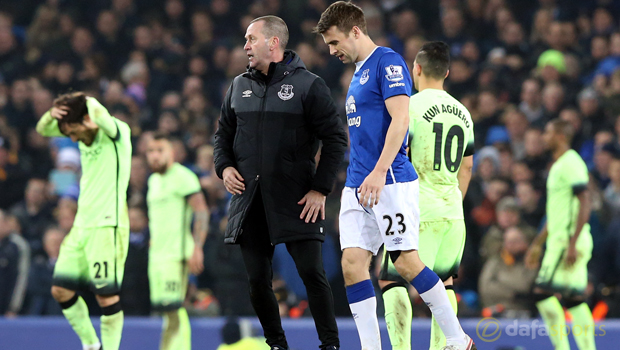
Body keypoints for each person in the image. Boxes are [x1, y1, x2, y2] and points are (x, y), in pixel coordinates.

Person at [314, 4, 474, 350]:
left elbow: (401, 120)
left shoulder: (388, 63)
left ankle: (458, 339)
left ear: (355, 31)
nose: (331, 50)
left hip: (389, 181)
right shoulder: (358, 72)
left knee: (405, 262)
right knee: (353, 264)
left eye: (334, 41)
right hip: (359, 184)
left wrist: (380, 170)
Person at [213, 15, 347, 350]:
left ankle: (330, 344)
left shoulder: (308, 85)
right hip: (250, 198)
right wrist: (224, 167)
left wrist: (320, 189)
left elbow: (335, 140)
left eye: (251, 39)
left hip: (297, 198)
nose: (245, 46)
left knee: (312, 276)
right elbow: (222, 136)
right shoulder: (238, 86)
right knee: (258, 281)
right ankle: (277, 344)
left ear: (273, 43)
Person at [375, 41, 475, 350]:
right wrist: (455, 200)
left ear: (415, 69)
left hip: (420, 208)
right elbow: (467, 167)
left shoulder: (410, 108)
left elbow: (398, 156)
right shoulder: (463, 112)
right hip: (453, 211)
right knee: (444, 284)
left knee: (391, 279)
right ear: (446, 72)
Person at [36, 92, 131, 350]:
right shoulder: (81, 135)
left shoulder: (116, 132)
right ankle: (91, 345)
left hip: (107, 225)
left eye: (74, 131)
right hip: (82, 225)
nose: (73, 138)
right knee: (60, 290)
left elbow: (99, 114)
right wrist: (53, 112)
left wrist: (84, 99)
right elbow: (42, 128)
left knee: (106, 296)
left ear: (88, 119)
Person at [525, 119, 597, 350]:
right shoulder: (559, 165)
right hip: (561, 239)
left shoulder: (571, 163)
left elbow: (586, 201)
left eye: (547, 132)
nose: (543, 137)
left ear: (561, 136)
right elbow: (555, 212)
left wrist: (573, 242)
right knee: (573, 300)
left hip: (567, 242)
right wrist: (538, 243)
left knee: (541, 294)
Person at [146, 132, 210, 350]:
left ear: (171, 153)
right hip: (157, 257)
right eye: (150, 152)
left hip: (176, 255)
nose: (155, 156)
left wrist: (197, 247)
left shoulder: (183, 176)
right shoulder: (153, 181)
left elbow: (201, 211)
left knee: (173, 307)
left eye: (159, 151)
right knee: (164, 309)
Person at [0, 210, 31, 317]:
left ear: (5, 223)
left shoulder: (18, 245)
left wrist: (13, 308)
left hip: (8, 309)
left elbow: (22, 278)